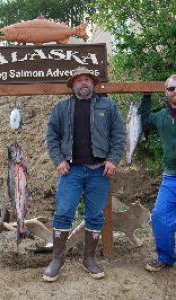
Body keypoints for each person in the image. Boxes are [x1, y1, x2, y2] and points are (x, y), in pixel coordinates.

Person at [43, 66, 125, 281]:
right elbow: (51, 136)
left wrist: (113, 159)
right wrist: (59, 160)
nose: (83, 83)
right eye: (79, 80)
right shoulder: (61, 108)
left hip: (99, 171)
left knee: (95, 216)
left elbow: (119, 135)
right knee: (63, 213)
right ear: (73, 85)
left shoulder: (108, 107)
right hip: (71, 171)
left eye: (87, 79)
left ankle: (89, 259)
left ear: (93, 83)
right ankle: (57, 260)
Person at [140, 74, 176, 272]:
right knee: (160, 217)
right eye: (171, 89)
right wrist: (146, 97)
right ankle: (166, 258)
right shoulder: (161, 116)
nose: (175, 92)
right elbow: (143, 120)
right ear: (166, 92)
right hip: (171, 177)